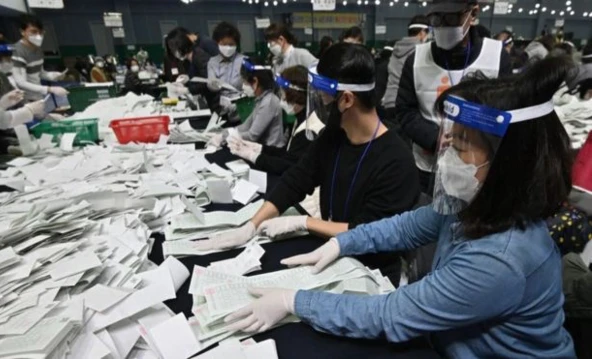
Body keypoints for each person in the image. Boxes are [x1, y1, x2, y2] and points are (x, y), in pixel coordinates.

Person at [224, 57, 576, 359]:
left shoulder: (501, 258)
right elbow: (405, 226)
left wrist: (293, 302)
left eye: (462, 146)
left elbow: (392, 314)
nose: (449, 155)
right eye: (449, 140)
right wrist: (340, 243)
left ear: (508, 163)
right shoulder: (472, 204)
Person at [198, 43, 420, 285]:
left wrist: (303, 222)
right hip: (329, 252)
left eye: (322, 96)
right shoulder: (335, 135)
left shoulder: (396, 161)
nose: (319, 104)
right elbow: (297, 178)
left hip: (370, 271)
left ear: (346, 99)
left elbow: (367, 233)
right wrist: (252, 225)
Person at [396, 0, 512, 194]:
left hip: (479, 171)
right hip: (428, 168)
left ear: (472, 14)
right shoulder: (415, 60)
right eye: (435, 18)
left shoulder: (496, 57)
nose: (442, 25)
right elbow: (405, 111)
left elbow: (507, 111)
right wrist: (434, 137)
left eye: (450, 18)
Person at [228, 65, 324, 175]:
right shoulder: (301, 118)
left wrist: (254, 156)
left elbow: (290, 166)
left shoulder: (310, 129)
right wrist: (261, 149)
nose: (281, 101)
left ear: (296, 96)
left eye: (283, 96)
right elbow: (288, 153)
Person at [207, 58, 285, 148]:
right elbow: (245, 126)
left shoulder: (269, 102)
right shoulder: (261, 99)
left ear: (255, 82)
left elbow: (252, 136)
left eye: (244, 82)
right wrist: (225, 132)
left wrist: (225, 137)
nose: (243, 87)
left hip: (270, 153)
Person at [382, 15, 429, 131]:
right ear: (423, 33)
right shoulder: (421, 51)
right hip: (404, 105)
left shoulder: (397, 48)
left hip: (388, 103)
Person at [12, 15, 68, 101]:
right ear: (22, 32)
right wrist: (50, 89)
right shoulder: (18, 51)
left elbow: (40, 74)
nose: (38, 36)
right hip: (24, 99)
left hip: (38, 96)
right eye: (33, 32)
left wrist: (52, 76)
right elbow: (20, 83)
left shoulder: (38, 49)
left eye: (41, 32)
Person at [207, 21, 245, 115]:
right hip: (221, 107)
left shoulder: (244, 61)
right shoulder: (213, 62)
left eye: (231, 44)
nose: (228, 47)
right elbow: (211, 84)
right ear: (217, 43)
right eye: (224, 44)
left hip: (241, 106)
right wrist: (213, 85)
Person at [165, 27, 211, 97]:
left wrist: (187, 90)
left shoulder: (199, 56)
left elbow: (208, 82)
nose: (173, 52)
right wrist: (188, 78)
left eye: (174, 48)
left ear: (181, 44)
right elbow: (198, 77)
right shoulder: (188, 61)